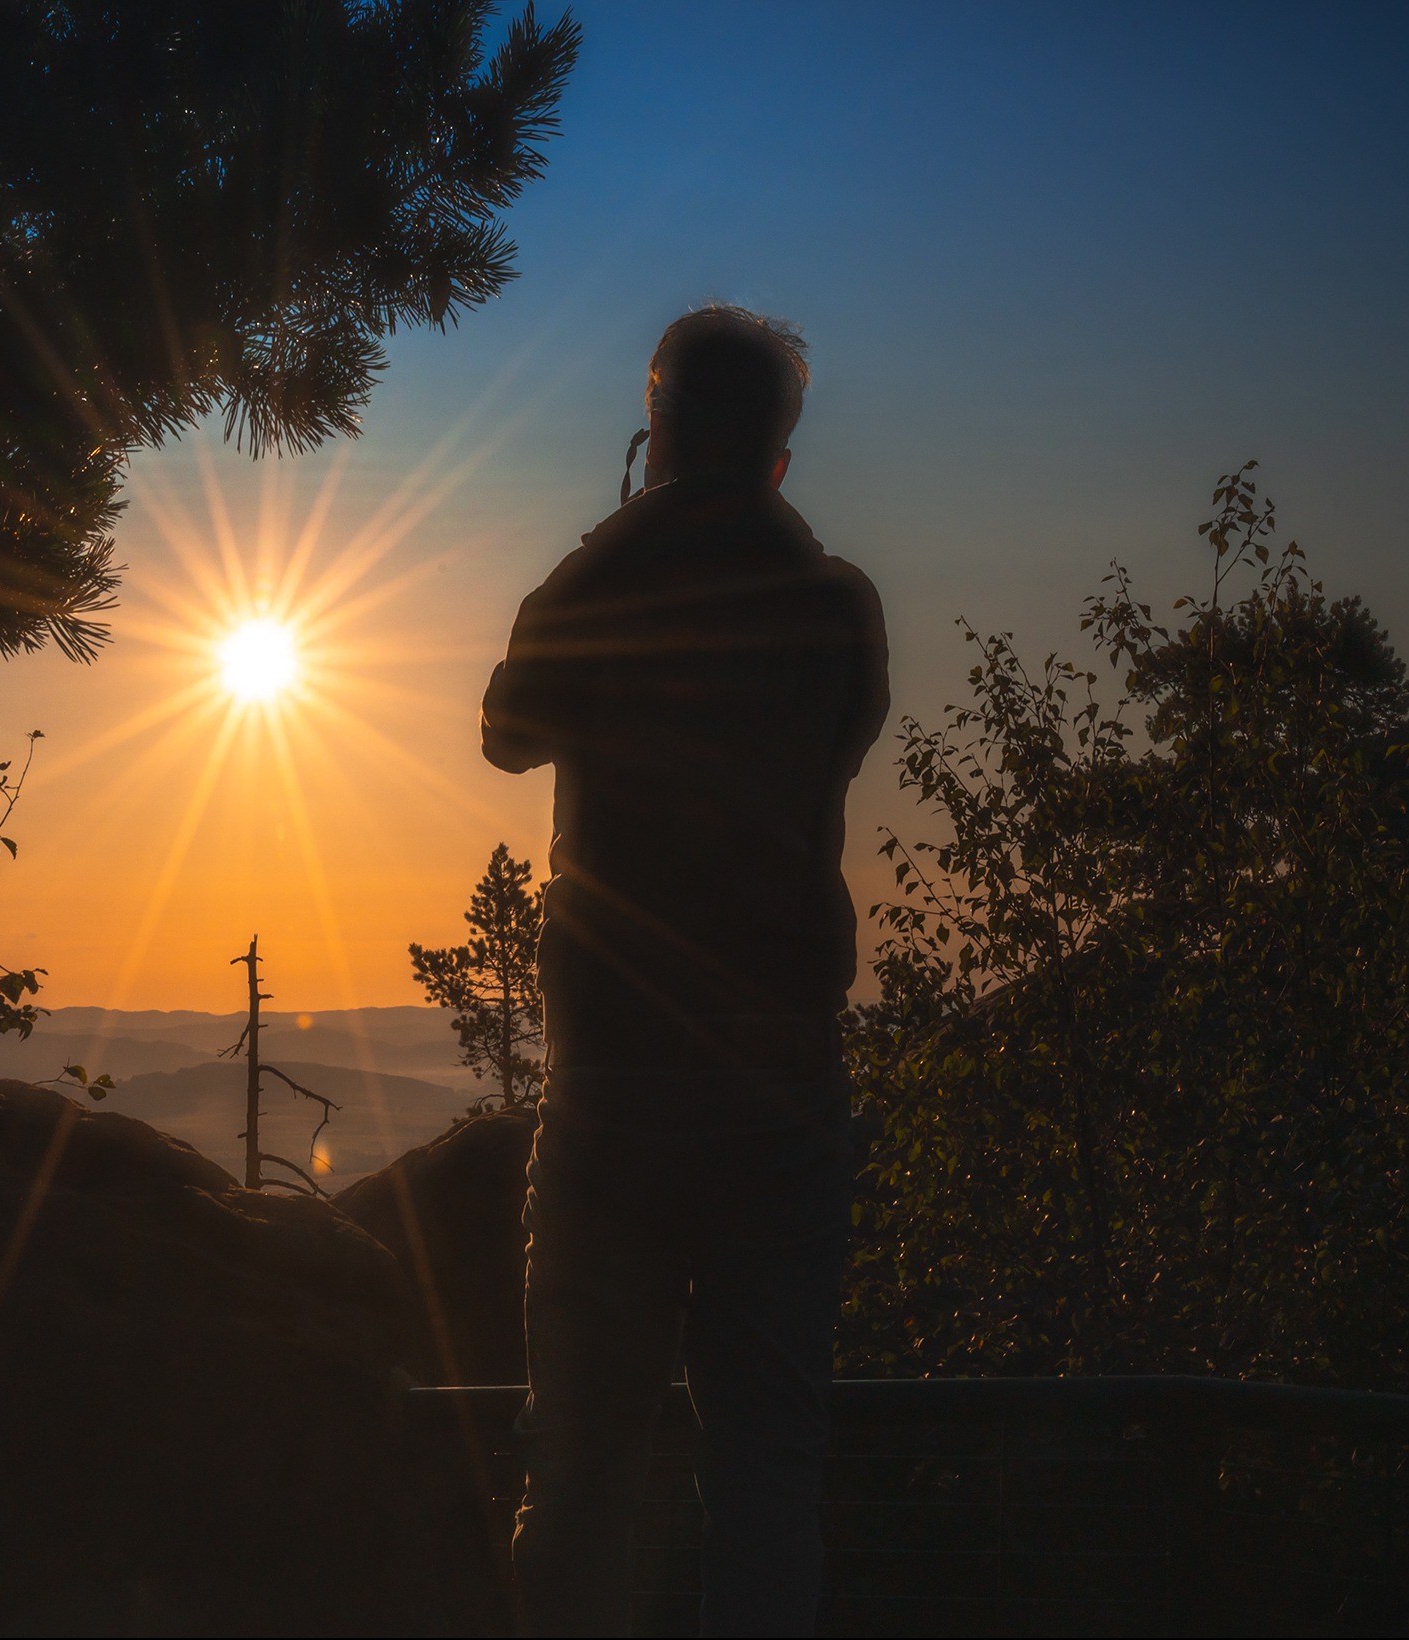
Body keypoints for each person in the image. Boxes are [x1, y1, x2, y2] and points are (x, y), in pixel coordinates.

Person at [482, 305, 890, 1637]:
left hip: (617, 1093)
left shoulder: (613, 583)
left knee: (585, 1475)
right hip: (781, 1086)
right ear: (783, 447)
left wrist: (625, 530)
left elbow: (507, 731)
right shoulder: (838, 610)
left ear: (656, 433)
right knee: (767, 1474)